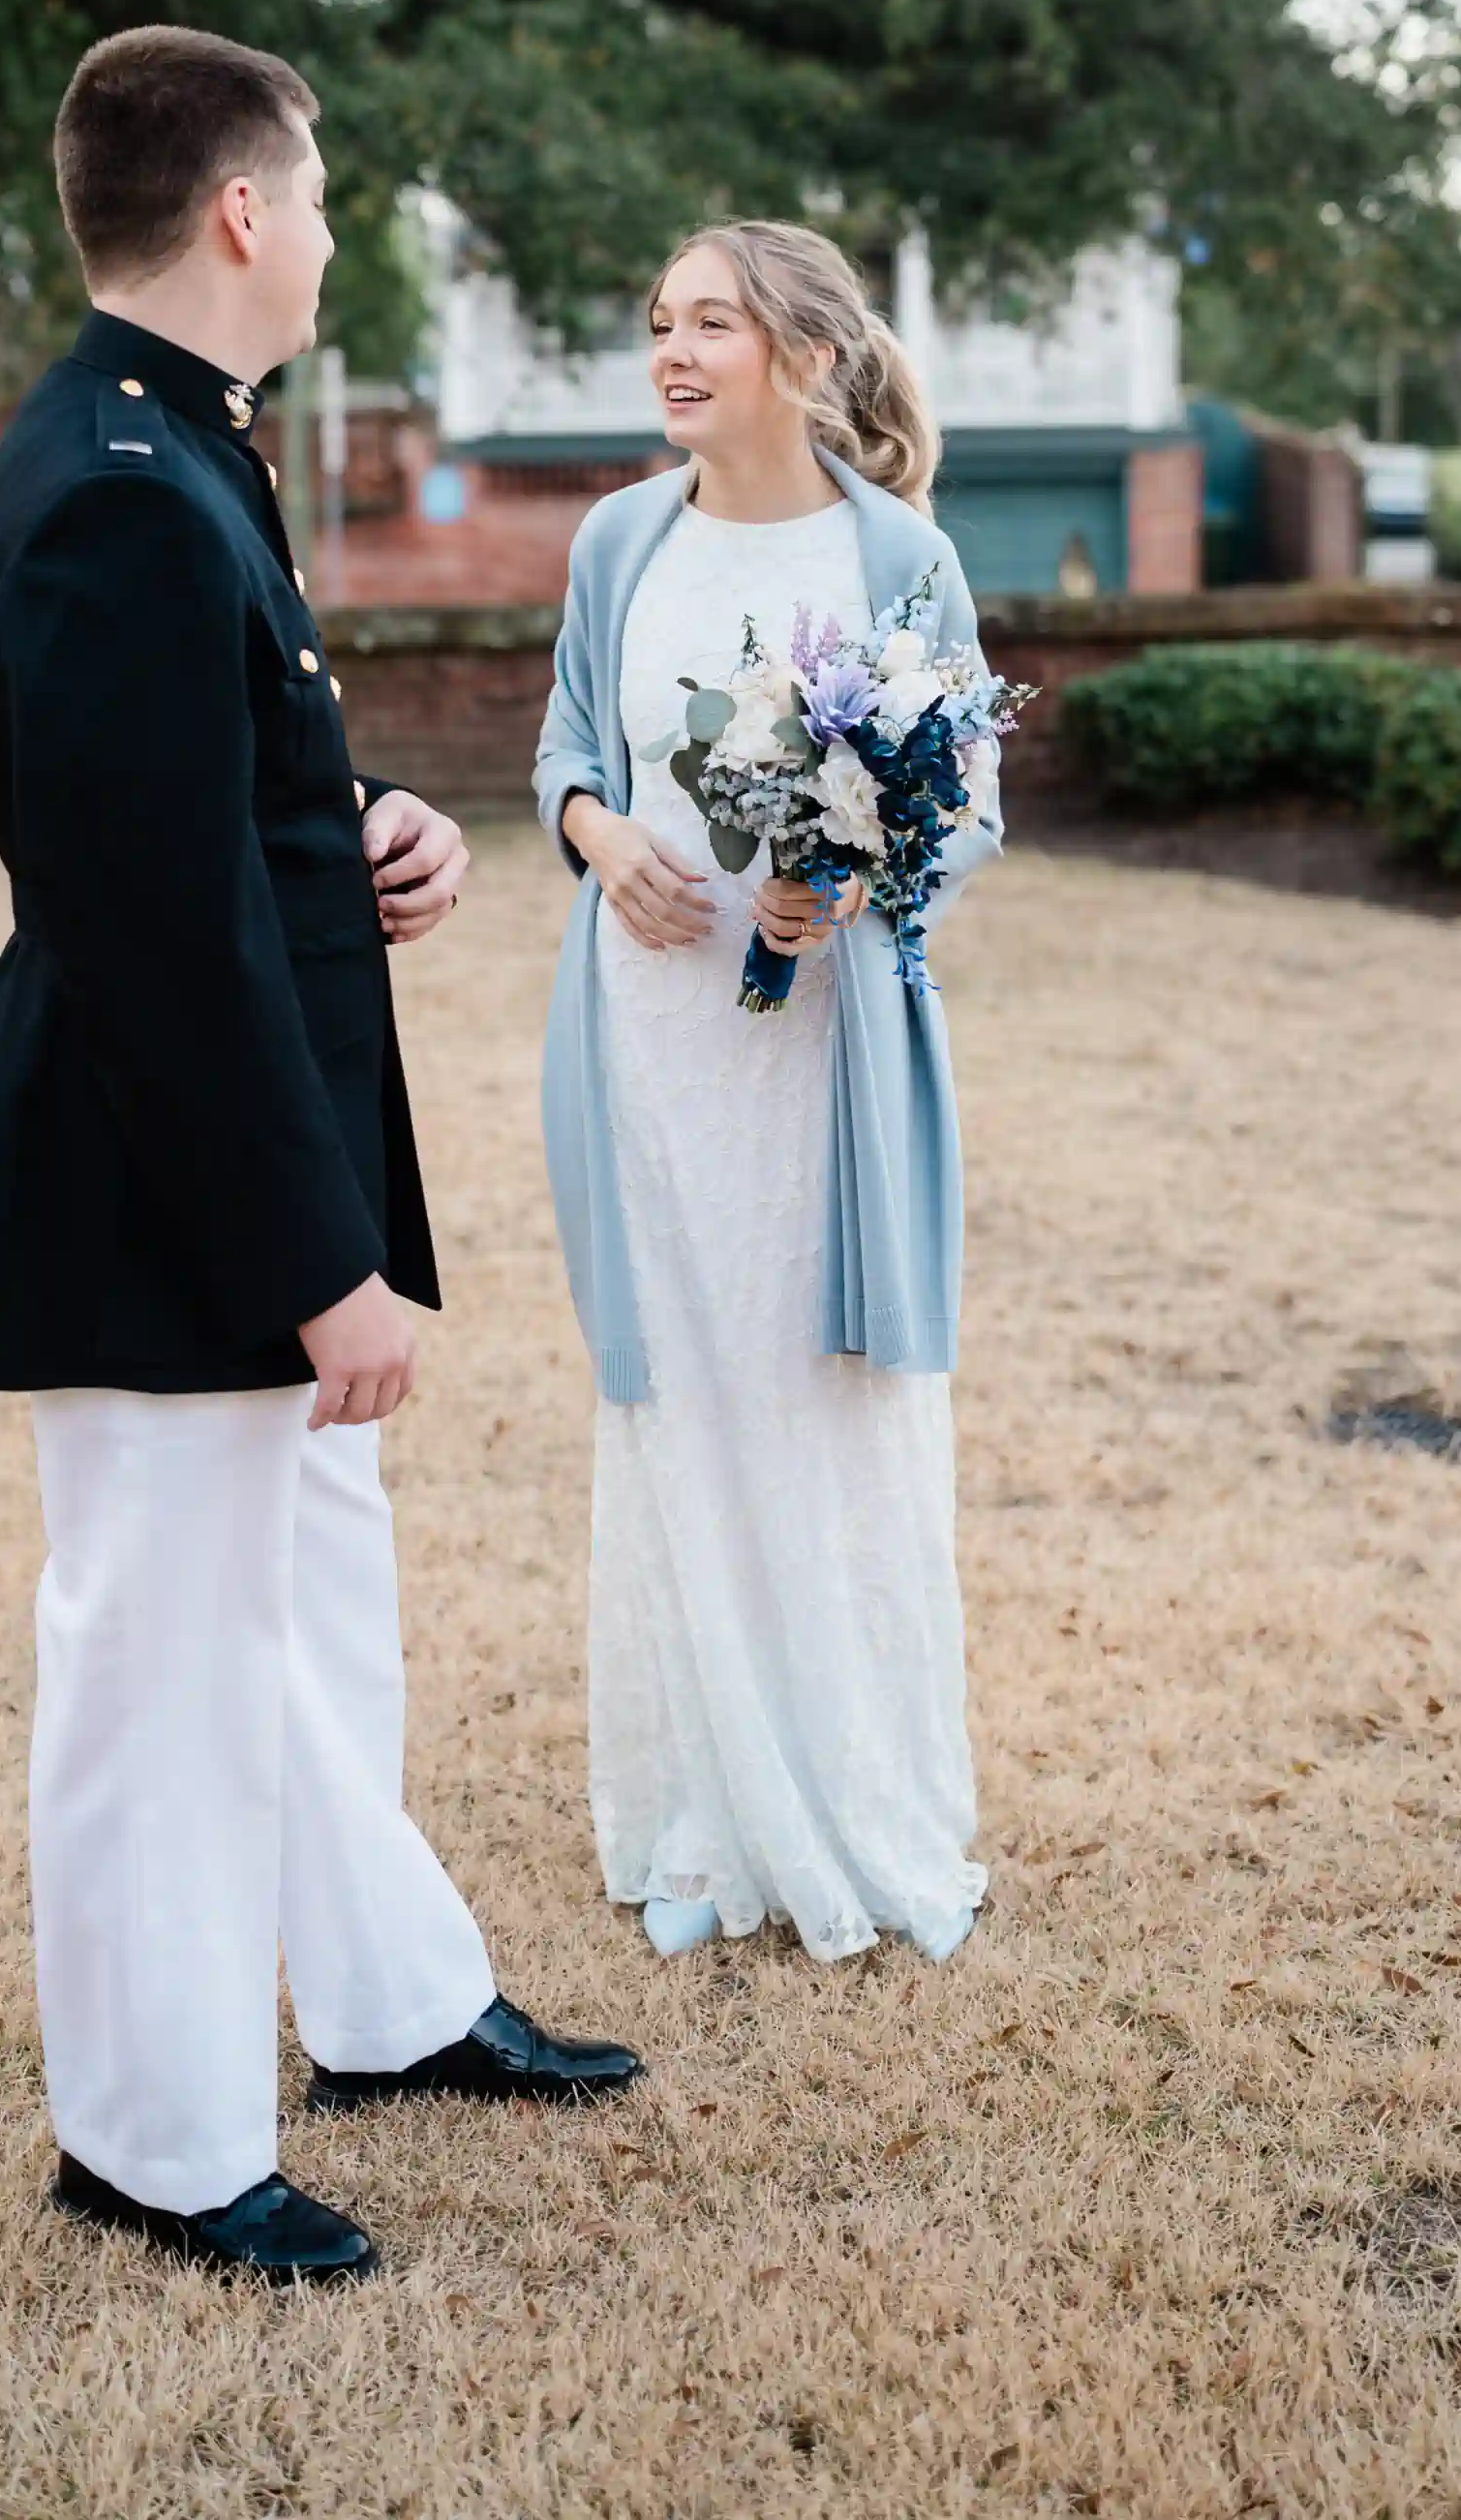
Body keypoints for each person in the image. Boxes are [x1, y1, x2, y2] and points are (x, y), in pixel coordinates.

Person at [0, 24, 639, 2292]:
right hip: (169, 1204)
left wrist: (362, 837)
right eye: (318, 198)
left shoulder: (163, 449)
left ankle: (392, 2003)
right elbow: (140, 937)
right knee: (165, 1662)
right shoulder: (128, 482)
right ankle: (146, 2142)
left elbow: (192, 815)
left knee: (307, 1611)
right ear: (240, 212)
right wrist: (311, 1264)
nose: (329, 238)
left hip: (247, 1175)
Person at [533, 220, 995, 1965]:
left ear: (800, 354)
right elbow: (573, 741)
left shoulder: (900, 557)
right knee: (688, 1393)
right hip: (654, 1046)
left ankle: (848, 1792)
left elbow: (965, 804)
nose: (670, 350)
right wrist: (598, 843)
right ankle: (703, 1807)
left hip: (821, 1058)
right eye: (659, 321)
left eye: (708, 322)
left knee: (821, 1389)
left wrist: (861, 881)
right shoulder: (614, 541)